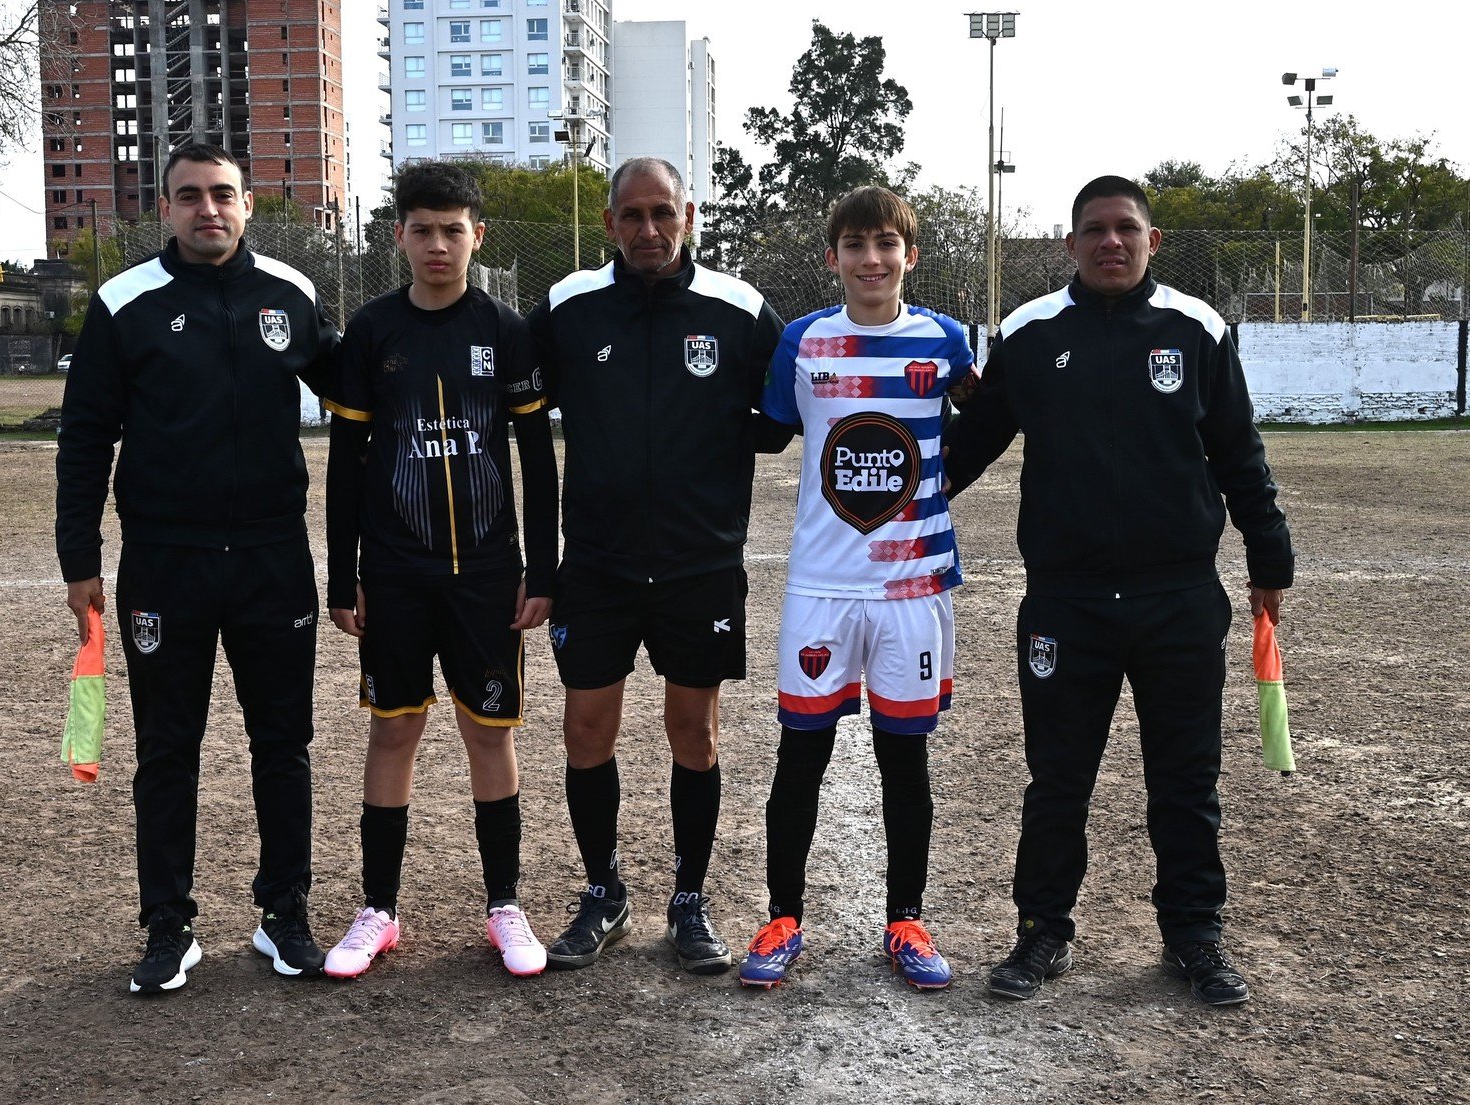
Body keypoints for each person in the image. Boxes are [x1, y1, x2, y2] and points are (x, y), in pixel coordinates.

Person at [943, 175, 1294, 1007]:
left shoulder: (1195, 328)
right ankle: (1041, 932)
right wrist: (881, 517)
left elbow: (1238, 453)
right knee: (1057, 779)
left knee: (1185, 779)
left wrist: (1268, 559)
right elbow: (964, 453)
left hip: (1178, 596)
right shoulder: (1029, 334)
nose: (1110, 243)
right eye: (1093, 231)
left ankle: (1194, 934)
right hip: (1065, 603)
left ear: (1151, 240)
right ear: (1069, 244)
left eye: (1124, 229)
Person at [56, 142, 340, 993]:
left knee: (282, 745)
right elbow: (83, 440)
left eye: (222, 195)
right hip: (164, 563)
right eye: (190, 197)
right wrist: (81, 561)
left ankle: (283, 914)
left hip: (271, 557)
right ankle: (167, 925)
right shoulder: (124, 301)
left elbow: (359, 400)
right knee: (166, 752)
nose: (207, 209)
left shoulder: (290, 293)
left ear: (248, 204)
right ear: (166, 208)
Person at [526, 157, 784, 974]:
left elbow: (784, 415)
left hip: (697, 564)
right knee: (585, 728)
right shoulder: (568, 308)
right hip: (596, 564)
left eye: (661, 213)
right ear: (609, 223)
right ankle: (602, 890)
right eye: (631, 215)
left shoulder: (739, 310)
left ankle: (689, 899)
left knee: (692, 732)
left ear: (690, 215)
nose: (647, 229)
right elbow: (519, 410)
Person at [321, 161, 559, 980]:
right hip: (392, 572)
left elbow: (537, 459)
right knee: (394, 729)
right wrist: (338, 571)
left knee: (488, 734)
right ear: (398, 236)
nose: (436, 244)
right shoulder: (373, 331)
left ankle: (505, 905)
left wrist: (542, 567)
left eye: (452, 229)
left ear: (476, 236)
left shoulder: (507, 330)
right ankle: (378, 910)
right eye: (421, 229)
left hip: (486, 574)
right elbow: (347, 462)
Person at [737, 187, 979, 990]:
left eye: (886, 244)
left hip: (912, 587)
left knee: (902, 760)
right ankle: (782, 917)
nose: (870, 259)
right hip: (820, 586)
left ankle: (906, 918)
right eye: (854, 244)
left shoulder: (945, 342)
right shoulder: (803, 342)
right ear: (833, 256)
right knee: (798, 757)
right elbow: (764, 431)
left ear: (910, 254)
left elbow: (991, 423)